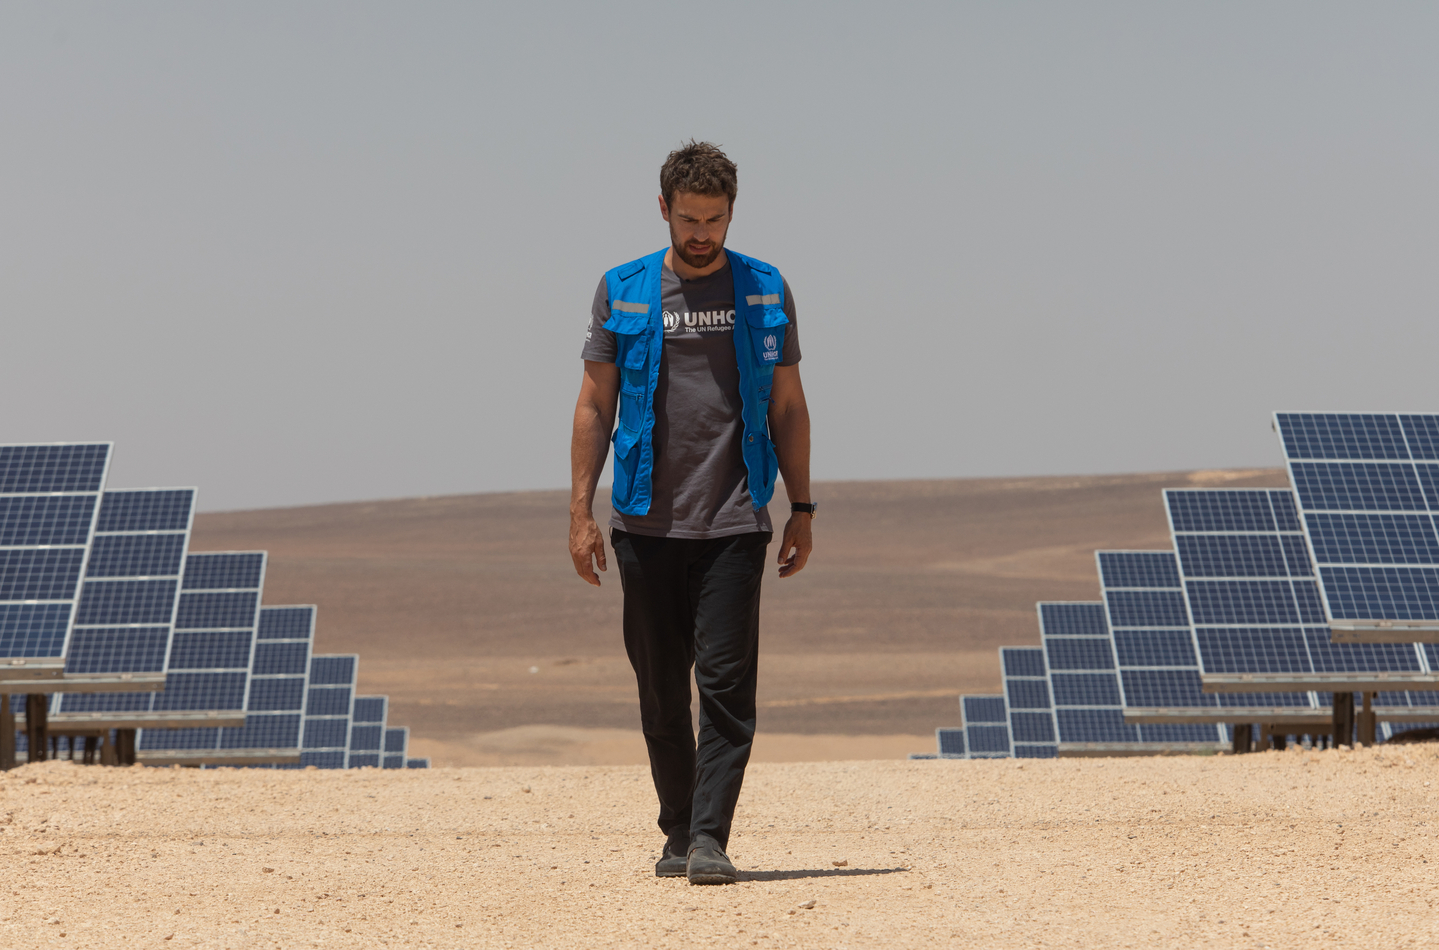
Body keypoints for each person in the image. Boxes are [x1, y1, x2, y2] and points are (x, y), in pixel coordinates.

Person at [568, 141, 814, 885]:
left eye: (714, 219)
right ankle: (677, 830)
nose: (701, 233)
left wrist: (802, 506)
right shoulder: (624, 288)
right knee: (660, 692)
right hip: (644, 521)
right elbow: (593, 404)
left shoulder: (766, 289)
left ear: (732, 213)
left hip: (736, 518)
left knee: (727, 689)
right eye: (688, 219)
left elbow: (789, 406)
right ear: (663, 210)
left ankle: (709, 837)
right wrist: (580, 512)